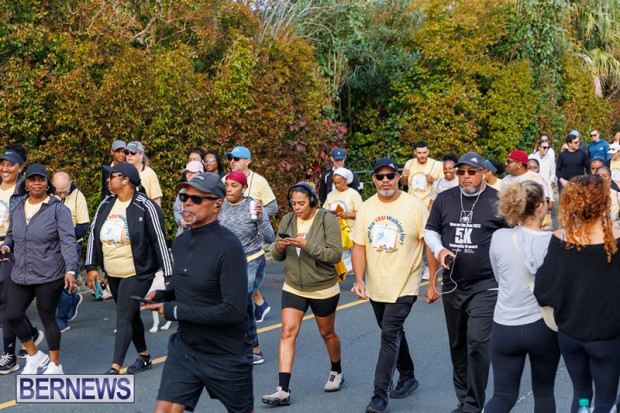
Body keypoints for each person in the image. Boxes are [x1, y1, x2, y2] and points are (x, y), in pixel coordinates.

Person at [142, 172, 252, 413]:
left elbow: (234, 311)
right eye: (185, 197)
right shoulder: (181, 243)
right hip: (186, 348)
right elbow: (187, 285)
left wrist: (175, 311)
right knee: (165, 409)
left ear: (217, 205)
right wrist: (164, 295)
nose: (188, 203)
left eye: (197, 199)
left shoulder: (229, 247)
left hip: (224, 353)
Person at [424, 152, 505, 413]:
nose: (465, 177)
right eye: (461, 172)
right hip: (453, 284)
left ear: (484, 173)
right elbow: (430, 230)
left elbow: (514, 236)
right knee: (458, 344)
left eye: (471, 171)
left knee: (478, 343)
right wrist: (439, 250)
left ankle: (473, 405)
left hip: (486, 284)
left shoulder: (498, 200)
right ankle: (464, 398)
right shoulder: (444, 198)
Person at [535, 175, 620, 413]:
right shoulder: (615, 239)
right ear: (604, 202)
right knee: (605, 401)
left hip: (570, 334)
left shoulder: (561, 238)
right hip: (606, 336)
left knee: (582, 394)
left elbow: (544, 290)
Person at [351, 158, 429, 413]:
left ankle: (379, 395)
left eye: (390, 176)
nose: (385, 180)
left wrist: (433, 282)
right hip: (377, 284)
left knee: (389, 334)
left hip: (405, 284)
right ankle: (408, 377)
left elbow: (429, 243)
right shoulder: (366, 208)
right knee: (392, 332)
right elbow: (359, 247)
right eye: (380, 176)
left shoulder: (415, 206)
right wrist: (359, 280)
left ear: (399, 178)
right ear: (373, 179)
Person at [85, 163, 172, 374]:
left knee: (123, 315)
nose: (108, 180)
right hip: (113, 273)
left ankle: (115, 367)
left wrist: (169, 275)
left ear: (126, 180)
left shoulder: (146, 206)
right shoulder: (106, 204)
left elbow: (159, 240)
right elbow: (94, 234)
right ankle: (144, 357)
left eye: (112, 176)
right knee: (131, 315)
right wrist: (91, 266)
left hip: (139, 272)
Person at [261, 182, 343, 406]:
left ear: (313, 201)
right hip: (294, 286)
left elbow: (335, 255)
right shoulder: (288, 220)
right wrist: (279, 247)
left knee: (327, 333)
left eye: (301, 203)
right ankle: (282, 390)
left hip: (322, 287)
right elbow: (277, 256)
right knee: (287, 331)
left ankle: (336, 370)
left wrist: (306, 245)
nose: (296, 207)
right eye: (293, 203)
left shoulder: (327, 219)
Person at [485, 181, 560, 412]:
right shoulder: (554, 242)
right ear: (540, 206)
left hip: (505, 325)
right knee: (544, 392)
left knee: (502, 396)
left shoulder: (499, 237)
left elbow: (499, 276)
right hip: (542, 326)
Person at [2, 164, 78, 375]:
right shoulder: (18, 208)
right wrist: (6, 245)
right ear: (25, 183)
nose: (37, 183)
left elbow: (68, 241)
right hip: (21, 273)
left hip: (49, 274)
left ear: (47, 184)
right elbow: (11, 234)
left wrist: (71, 270)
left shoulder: (58, 209)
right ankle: (34, 356)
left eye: (41, 179)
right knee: (12, 314)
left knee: (47, 318)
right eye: (32, 179)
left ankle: (55, 365)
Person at [219, 170, 275, 365]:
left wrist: (260, 218)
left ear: (244, 188)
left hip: (252, 260)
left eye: (234, 186)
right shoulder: (219, 205)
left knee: (239, 302)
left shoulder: (253, 206)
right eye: (227, 185)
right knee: (242, 306)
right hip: (229, 262)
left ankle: (243, 347)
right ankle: (253, 348)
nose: (229, 189)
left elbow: (270, 238)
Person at [0, 146, 44, 375]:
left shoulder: (24, 191)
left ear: (20, 167)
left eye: (10, 165)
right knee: (5, 303)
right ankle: (31, 334)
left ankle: (8, 356)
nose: (5, 169)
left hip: (12, 248)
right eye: (2, 164)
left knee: (6, 302)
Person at [225, 145, 278, 323]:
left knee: (240, 297)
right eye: (230, 158)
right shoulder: (224, 183)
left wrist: (257, 217)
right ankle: (260, 306)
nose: (232, 162)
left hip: (252, 251)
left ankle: (245, 331)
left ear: (247, 161)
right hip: (231, 255)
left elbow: (273, 207)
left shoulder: (259, 182)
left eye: (236, 158)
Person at [52, 172, 89, 332]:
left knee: (65, 282)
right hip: (53, 246)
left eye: (65, 191)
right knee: (54, 283)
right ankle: (73, 299)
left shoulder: (78, 197)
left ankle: (61, 319)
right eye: (58, 191)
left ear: (70, 183)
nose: (62, 195)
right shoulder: (49, 196)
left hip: (72, 245)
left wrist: (63, 234)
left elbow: (83, 227)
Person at [323, 167, 363, 272]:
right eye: (335, 183)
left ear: (345, 180)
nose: (337, 185)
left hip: (350, 233)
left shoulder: (353, 194)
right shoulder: (331, 195)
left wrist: (347, 215)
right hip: (334, 232)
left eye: (339, 183)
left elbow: (361, 213)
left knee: (350, 263)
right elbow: (325, 210)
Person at [401, 141, 444, 210]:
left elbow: (444, 185)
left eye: (424, 152)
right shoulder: (409, 163)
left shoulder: (437, 165)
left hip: (429, 206)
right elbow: (404, 183)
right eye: (419, 153)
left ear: (428, 152)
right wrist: (404, 177)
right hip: (412, 205)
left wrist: (433, 181)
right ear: (415, 152)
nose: (422, 155)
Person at [124, 141, 163, 206]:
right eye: (126, 152)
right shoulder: (121, 171)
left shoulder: (150, 174)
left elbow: (156, 200)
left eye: (133, 152)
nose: (129, 155)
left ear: (141, 154)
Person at [173, 161, 204, 236]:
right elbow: (177, 209)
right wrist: (181, 220)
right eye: (187, 172)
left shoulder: (207, 192)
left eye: (193, 172)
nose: (189, 175)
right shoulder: (182, 191)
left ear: (201, 174)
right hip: (183, 233)